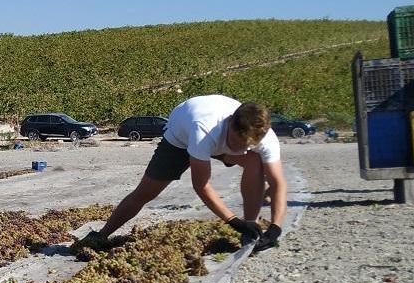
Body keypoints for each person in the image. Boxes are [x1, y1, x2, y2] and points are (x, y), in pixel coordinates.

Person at [83, 95, 287, 251]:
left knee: (254, 160)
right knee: (145, 193)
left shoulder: (265, 138)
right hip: (179, 140)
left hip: (214, 140)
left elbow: (278, 183)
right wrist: (233, 221)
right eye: (236, 143)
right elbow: (201, 185)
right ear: (230, 122)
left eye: (247, 146)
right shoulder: (204, 129)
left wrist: (276, 227)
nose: (240, 151)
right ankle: (101, 235)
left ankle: (251, 228)